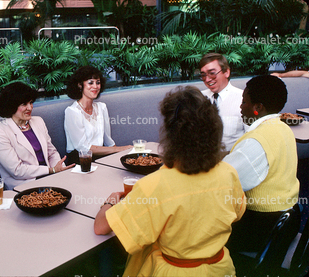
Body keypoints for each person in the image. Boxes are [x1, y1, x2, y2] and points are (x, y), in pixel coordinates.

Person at [94, 86, 246, 276]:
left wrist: (110, 201)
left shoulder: (155, 185)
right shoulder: (229, 173)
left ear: (170, 134)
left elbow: (100, 228)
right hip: (222, 268)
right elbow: (237, 213)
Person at [223, 75, 301, 253]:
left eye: (244, 102)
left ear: (258, 107)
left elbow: (223, 182)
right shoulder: (283, 128)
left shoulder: (255, 142)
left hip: (261, 228)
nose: (241, 107)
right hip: (288, 219)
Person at [0, 82, 74, 190]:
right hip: (24, 186)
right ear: (11, 105)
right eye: (24, 104)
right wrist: (51, 170)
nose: (30, 108)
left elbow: (51, 152)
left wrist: (57, 170)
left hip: (50, 178)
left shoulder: (38, 121)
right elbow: (17, 170)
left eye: (31, 103)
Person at [64, 65, 132, 164]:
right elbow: (83, 148)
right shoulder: (72, 111)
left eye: (98, 83)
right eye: (90, 83)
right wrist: (120, 149)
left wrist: (123, 152)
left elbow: (108, 142)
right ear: (79, 85)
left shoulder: (102, 107)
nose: (95, 86)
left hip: (100, 158)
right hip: (80, 160)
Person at [199, 53, 246, 151]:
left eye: (212, 73)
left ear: (226, 73)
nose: (207, 79)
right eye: (203, 75)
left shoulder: (244, 99)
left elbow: (252, 140)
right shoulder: (198, 98)